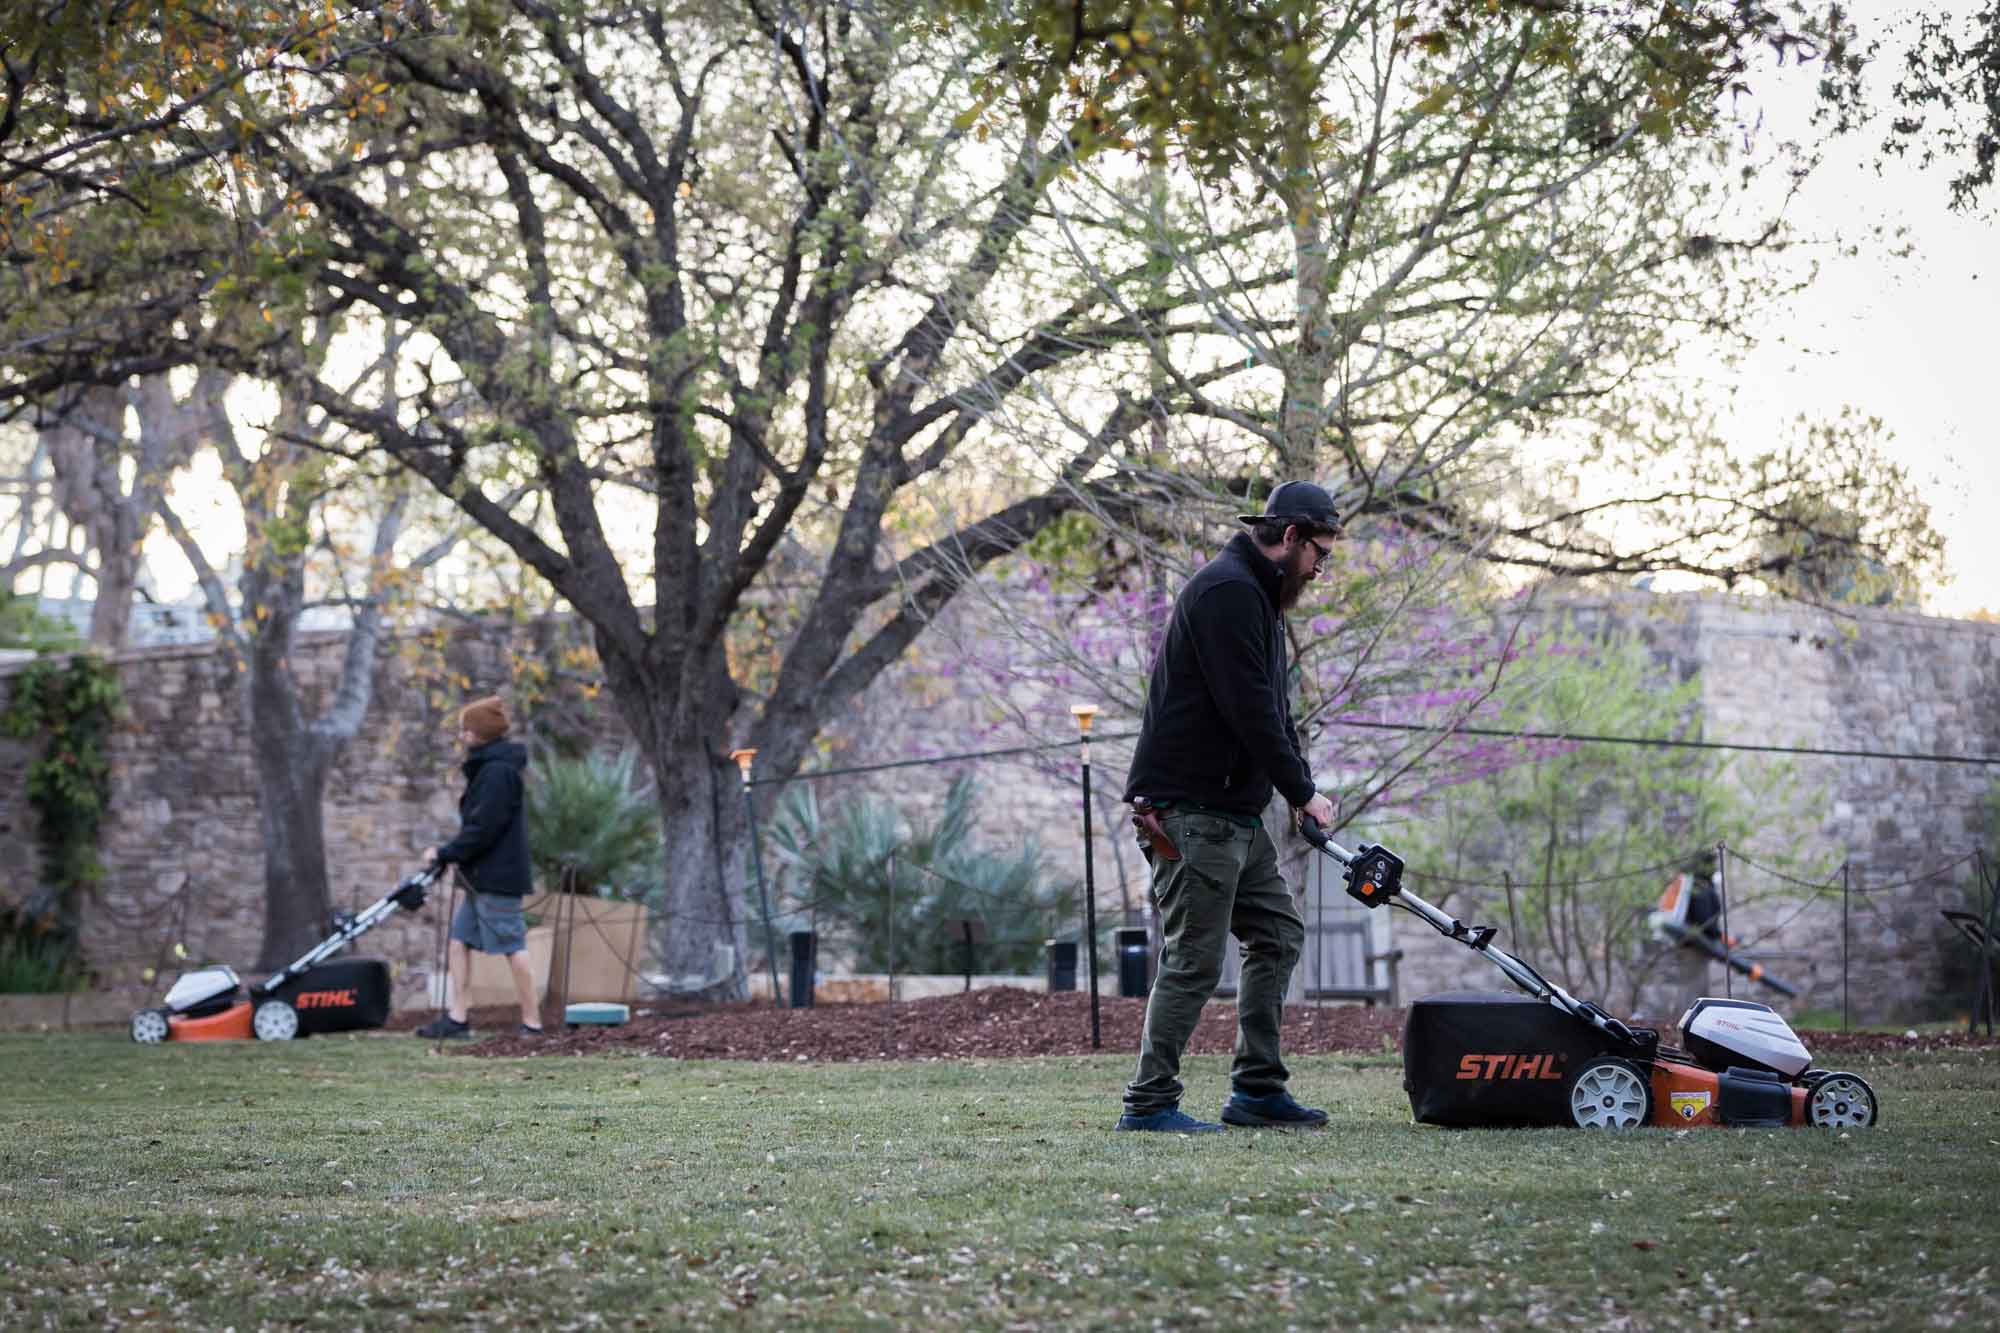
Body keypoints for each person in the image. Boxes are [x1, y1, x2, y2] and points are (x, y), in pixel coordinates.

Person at [1117, 480, 1342, 1132]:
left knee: (1278, 933)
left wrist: (1296, 790)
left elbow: (1274, 709)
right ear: (1291, 536)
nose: (1322, 567)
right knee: (1193, 958)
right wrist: (1302, 791)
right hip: (1193, 812)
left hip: (1236, 815)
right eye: (1319, 552)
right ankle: (1149, 1102)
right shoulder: (1227, 594)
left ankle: (1258, 1091)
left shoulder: (1260, 599)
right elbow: (1249, 712)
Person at [415, 696, 540, 1039]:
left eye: (466, 728)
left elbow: (484, 828)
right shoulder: (488, 768)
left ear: (481, 733)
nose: (461, 734)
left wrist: (444, 853)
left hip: (498, 878)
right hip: (479, 878)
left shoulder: (497, 772)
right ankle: (457, 1017)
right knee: (459, 942)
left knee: (513, 946)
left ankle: (533, 1022)